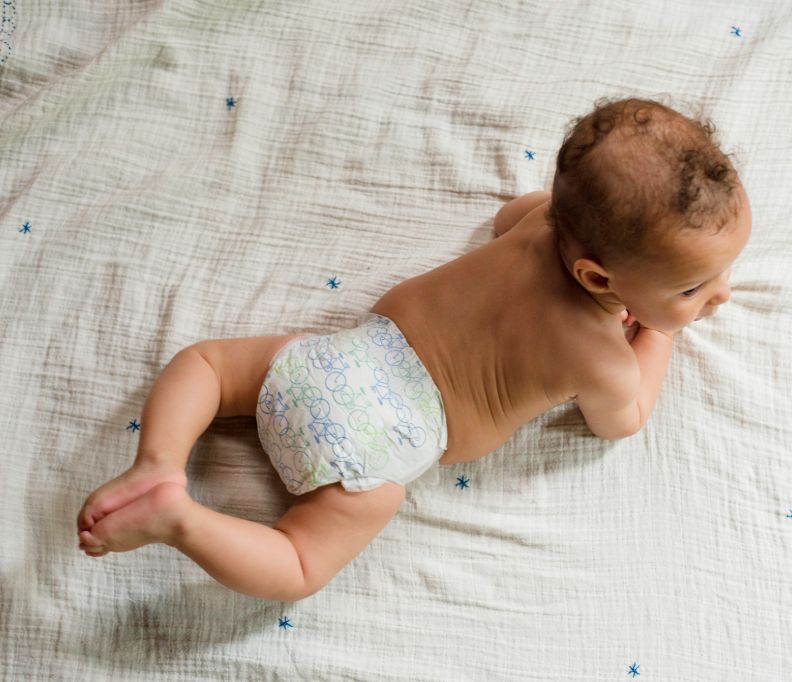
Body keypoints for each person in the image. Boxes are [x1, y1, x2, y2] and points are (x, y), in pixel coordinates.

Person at [76, 96, 752, 601]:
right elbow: (622, 419)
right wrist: (657, 332)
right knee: (300, 566)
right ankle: (183, 521)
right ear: (598, 278)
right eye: (695, 287)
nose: (719, 294)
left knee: (210, 364)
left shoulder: (541, 222)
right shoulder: (600, 355)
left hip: (335, 362)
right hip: (379, 450)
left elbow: (508, 212)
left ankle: (158, 462)